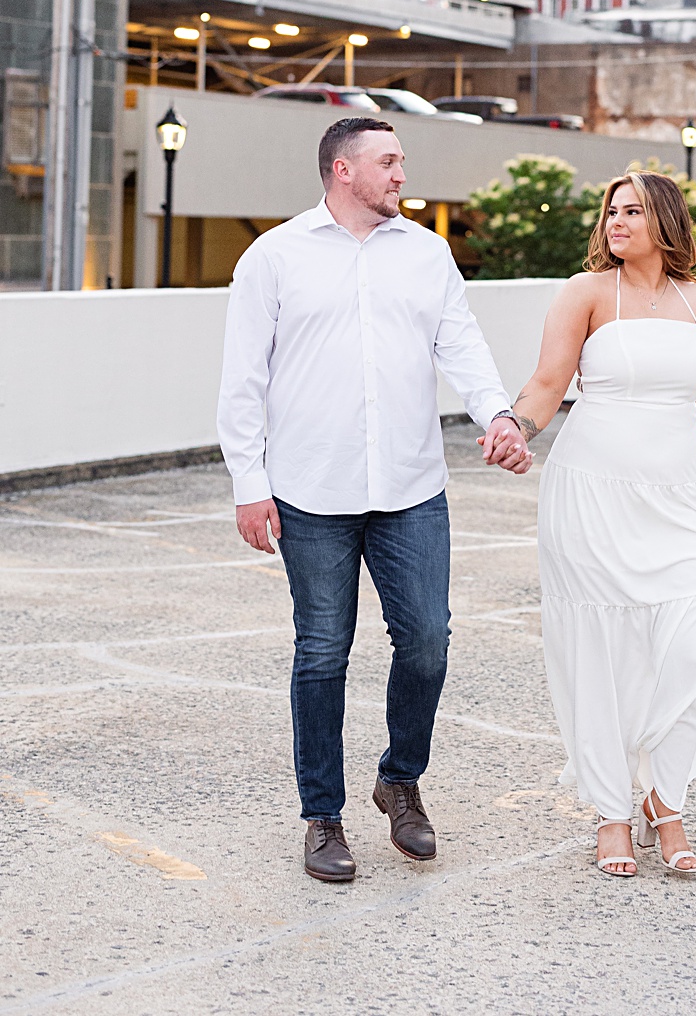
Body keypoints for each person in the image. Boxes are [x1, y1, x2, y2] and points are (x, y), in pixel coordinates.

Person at [216, 115, 532, 884]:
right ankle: (323, 817)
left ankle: (400, 779)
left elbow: (461, 342)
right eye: (387, 161)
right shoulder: (275, 257)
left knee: (427, 640)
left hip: (411, 486)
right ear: (341, 170)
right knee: (322, 654)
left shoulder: (428, 254)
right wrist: (249, 484)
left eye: (400, 161)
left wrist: (497, 412)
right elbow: (243, 380)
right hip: (310, 490)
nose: (400, 174)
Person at [505, 171, 696, 877]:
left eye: (633, 210)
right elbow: (548, 383)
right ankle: (613, 811)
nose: (616, 221)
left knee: (692, 643)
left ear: (666, 220)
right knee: (603, 652)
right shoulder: (585, 293)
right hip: (591, 494)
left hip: (677, 497)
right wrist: (517, 426)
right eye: (611, 210)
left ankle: (664, 797)